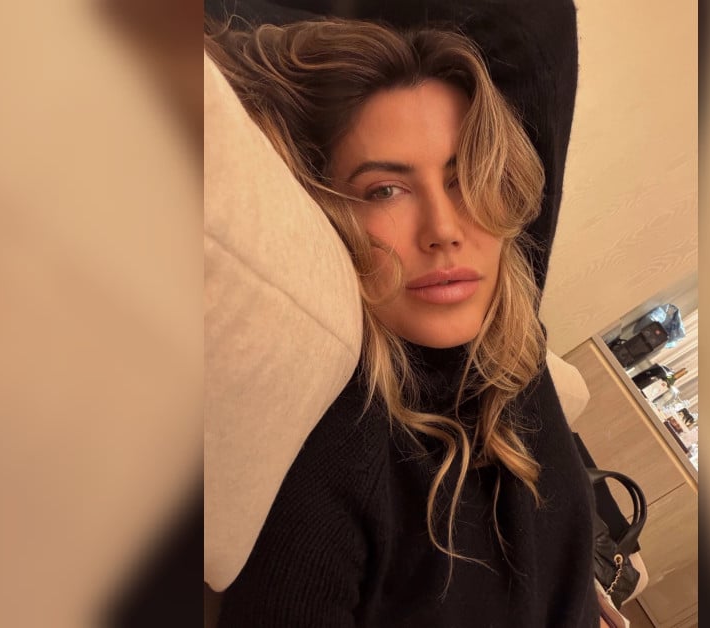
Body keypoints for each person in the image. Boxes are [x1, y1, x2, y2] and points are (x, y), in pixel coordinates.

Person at [206, 16, 602, 627]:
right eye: (385, 190)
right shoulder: (338, 469)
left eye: (465, 178)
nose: (444, 229)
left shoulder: (513, 349)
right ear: (327, 212)